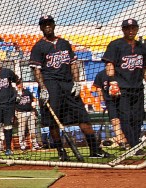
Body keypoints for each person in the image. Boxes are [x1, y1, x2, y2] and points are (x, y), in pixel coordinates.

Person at [29, 15, 112, 161]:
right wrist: (43, 88)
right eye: (44, 24)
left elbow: (73, 64)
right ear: (41, 27)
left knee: (83, 117)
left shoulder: (64, 43)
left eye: (49, 23)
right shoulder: (38, 47)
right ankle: (62, 153)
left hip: (68, 84)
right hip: (51, 84)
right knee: (53, 122)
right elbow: (37, 70)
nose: (47, 26)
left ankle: (95, 150)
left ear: (54, 25)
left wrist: (77, 82)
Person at [102, 18, 146, 153]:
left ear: (137, 29)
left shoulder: (142, 47)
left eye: (133, 28)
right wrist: (112, 81)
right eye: (128, 28)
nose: (131, 31)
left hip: (138, 87)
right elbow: (109, 63)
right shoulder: (116, 45)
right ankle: (134, 146)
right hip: (122, 88)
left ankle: (135, 143)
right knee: (125, 118)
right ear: (123, 30)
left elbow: (144, 68)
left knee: (138, 118)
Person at [92, 70, 128, 149]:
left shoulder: (119, 72)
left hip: (122, 100)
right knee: (115, 121)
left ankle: (127, 141)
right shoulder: (100, 74)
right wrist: (102, 101)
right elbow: (98, 89)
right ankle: (121, 143)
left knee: (125, 121)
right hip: (110, 101)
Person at [15, 85, 42, 151]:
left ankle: (35, 144)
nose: (20, 85)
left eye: (20, 84)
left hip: (30, 112)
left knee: (32, 129)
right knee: (22, 130)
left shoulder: (27, 92)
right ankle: (22, 145)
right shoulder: (15, 93)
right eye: (18, 84)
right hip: (21, 113)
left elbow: (34, 98)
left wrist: (34, 103)